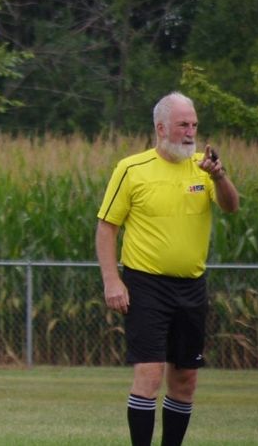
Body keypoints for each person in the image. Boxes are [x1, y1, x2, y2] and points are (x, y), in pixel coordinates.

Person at [95, 91, 239, 446]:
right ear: (161, 128)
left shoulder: (204, 169)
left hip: (191, 286)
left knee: (186, 378)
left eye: (194, 125)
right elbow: (106, 227)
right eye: (182, 125)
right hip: (145, 285)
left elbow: (231, 206)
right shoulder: (131, 168)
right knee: (149, 372)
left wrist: (220, 177)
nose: (190, 132)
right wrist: (112, 280)